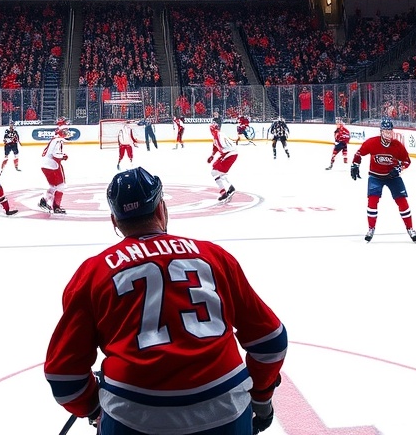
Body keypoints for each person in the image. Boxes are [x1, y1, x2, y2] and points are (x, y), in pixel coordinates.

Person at [44, 167, 287, 435]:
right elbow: (270, 341)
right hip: (225, 410)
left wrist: (94, 409)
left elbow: (64, 377)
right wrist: (261, 398)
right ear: (161, 209)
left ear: (114, 221)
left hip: (132, 418)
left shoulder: (93, 273)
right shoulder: (214, 256)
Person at [351, 120, 416, 243]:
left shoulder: (397, 145)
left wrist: (399, 169)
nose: (388, 134)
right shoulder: (372, 142)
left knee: (402, 202)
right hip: (375, 176)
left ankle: (410, 228)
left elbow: (407, 161)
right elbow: (359, 153)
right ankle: (371, 228)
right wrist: (355, 164)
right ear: (381, 132)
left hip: (393, 177)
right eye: (386, 132)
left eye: (390, 131)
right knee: (372, 201)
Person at [38, 118, 70, 214]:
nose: (66, 133)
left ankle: (44, 200)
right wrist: (63, 156)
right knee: (61, 186)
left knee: (53, 186)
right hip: (52, 164)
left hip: (44, 164)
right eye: (65, 131)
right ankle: (56, 207)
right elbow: (56, 154)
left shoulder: (54, 139)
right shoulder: (58, 140)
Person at [208, 116, 240, 202]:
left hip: (230, 154)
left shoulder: (218, 135)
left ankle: (226, 191)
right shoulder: (218, 135)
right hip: (229, 154)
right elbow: (216, 146)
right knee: (218, 173)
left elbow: (222, 145)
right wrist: (212, 155)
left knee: (215, 172)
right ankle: (227, 190)